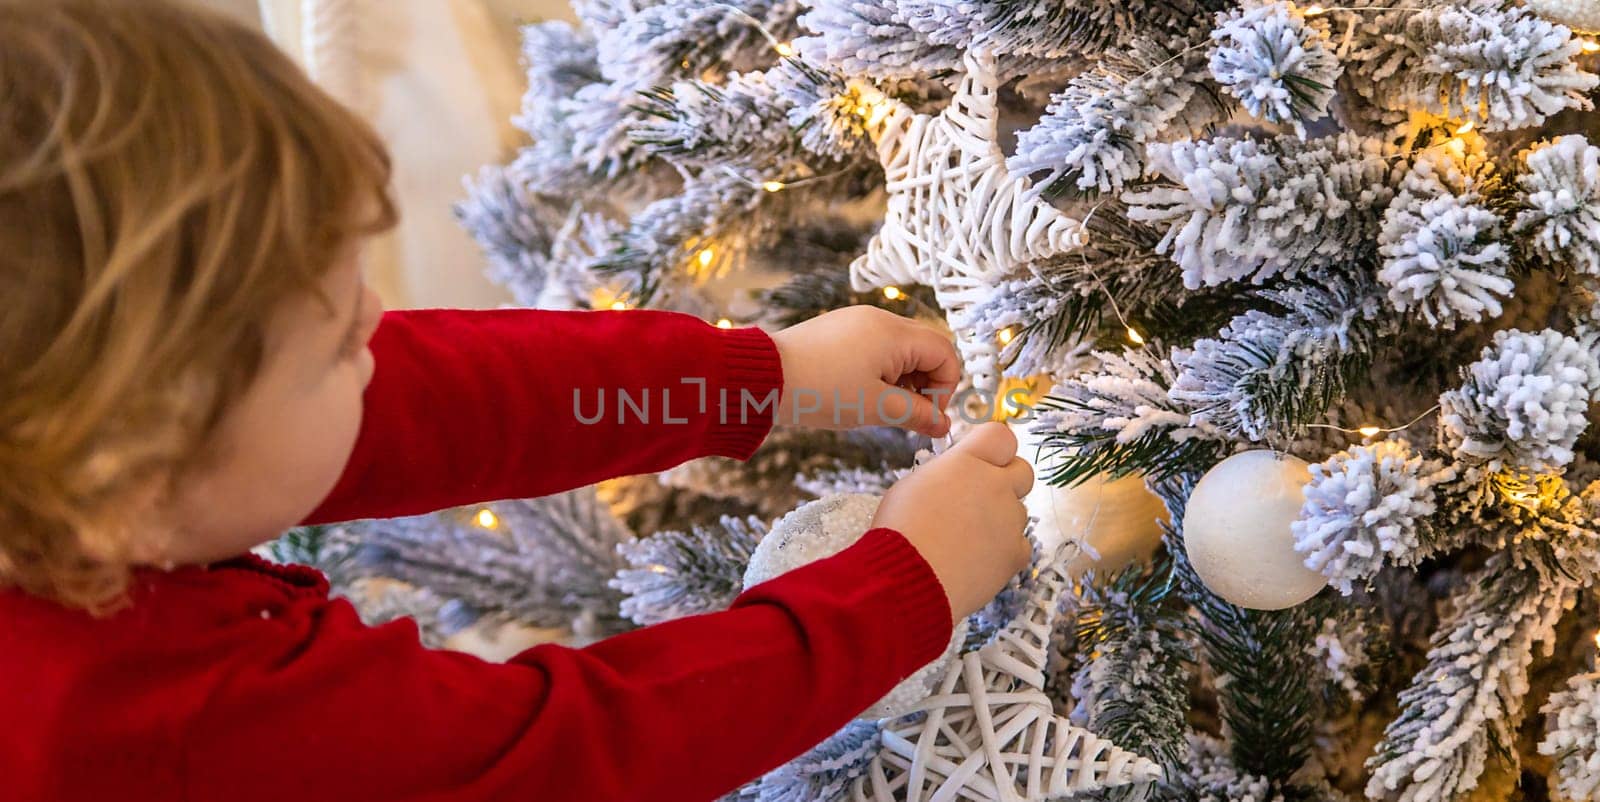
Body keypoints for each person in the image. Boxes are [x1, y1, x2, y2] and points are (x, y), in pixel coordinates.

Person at [0, 1, 1034, 800]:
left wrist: (762, 378)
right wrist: (902, 589)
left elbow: (440, 394)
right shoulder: (161, 724)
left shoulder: (72, 453)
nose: (374, 324)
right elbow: (567, 752)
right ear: (124, 463)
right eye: (326, 343)